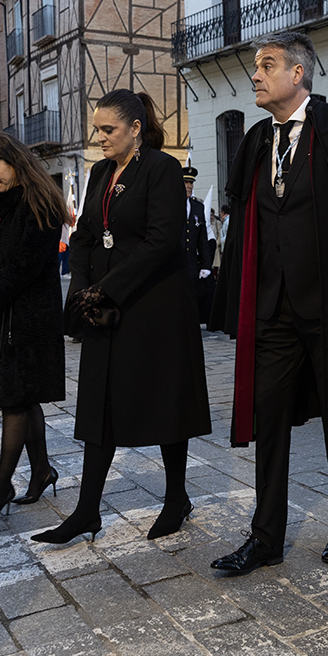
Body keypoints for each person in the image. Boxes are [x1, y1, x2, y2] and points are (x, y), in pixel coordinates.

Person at [208, 30, 328, 573]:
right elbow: (245, 226)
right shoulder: (255, 142)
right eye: (255, 66)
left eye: (266, 65)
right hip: (272, 308)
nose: (255, 75)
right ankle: (265, 536)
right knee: (269, 418)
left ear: (298, 73)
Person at [32, 90, 211, 545]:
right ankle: (86, 511)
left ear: (135, 128)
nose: (101, 137)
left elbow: (161, 240)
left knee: (166, 401)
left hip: (155, 306)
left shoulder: (162, 168)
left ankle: (176, 498)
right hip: (105, 307)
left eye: (108, 129)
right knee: (99, 404)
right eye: (97, 129)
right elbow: (85, 236)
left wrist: (106, 287)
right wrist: (83, 289)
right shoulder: (99, 172)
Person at [0, 133, 68, 520]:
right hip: (4, 318)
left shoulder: (40, 204)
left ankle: (1, 487)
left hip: (31, 321)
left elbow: (27, 265)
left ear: (14, 162)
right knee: (24, 398)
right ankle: (41, 470)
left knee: (14, 399)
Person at [182, 165, 215, 324]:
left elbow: (202, 239)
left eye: (191, 183)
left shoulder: (197, 207)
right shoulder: (172, 205)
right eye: (186, 183)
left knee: (193, 301)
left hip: (192, 265)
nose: (189, 186)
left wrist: (205, 265)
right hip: (177, 264)